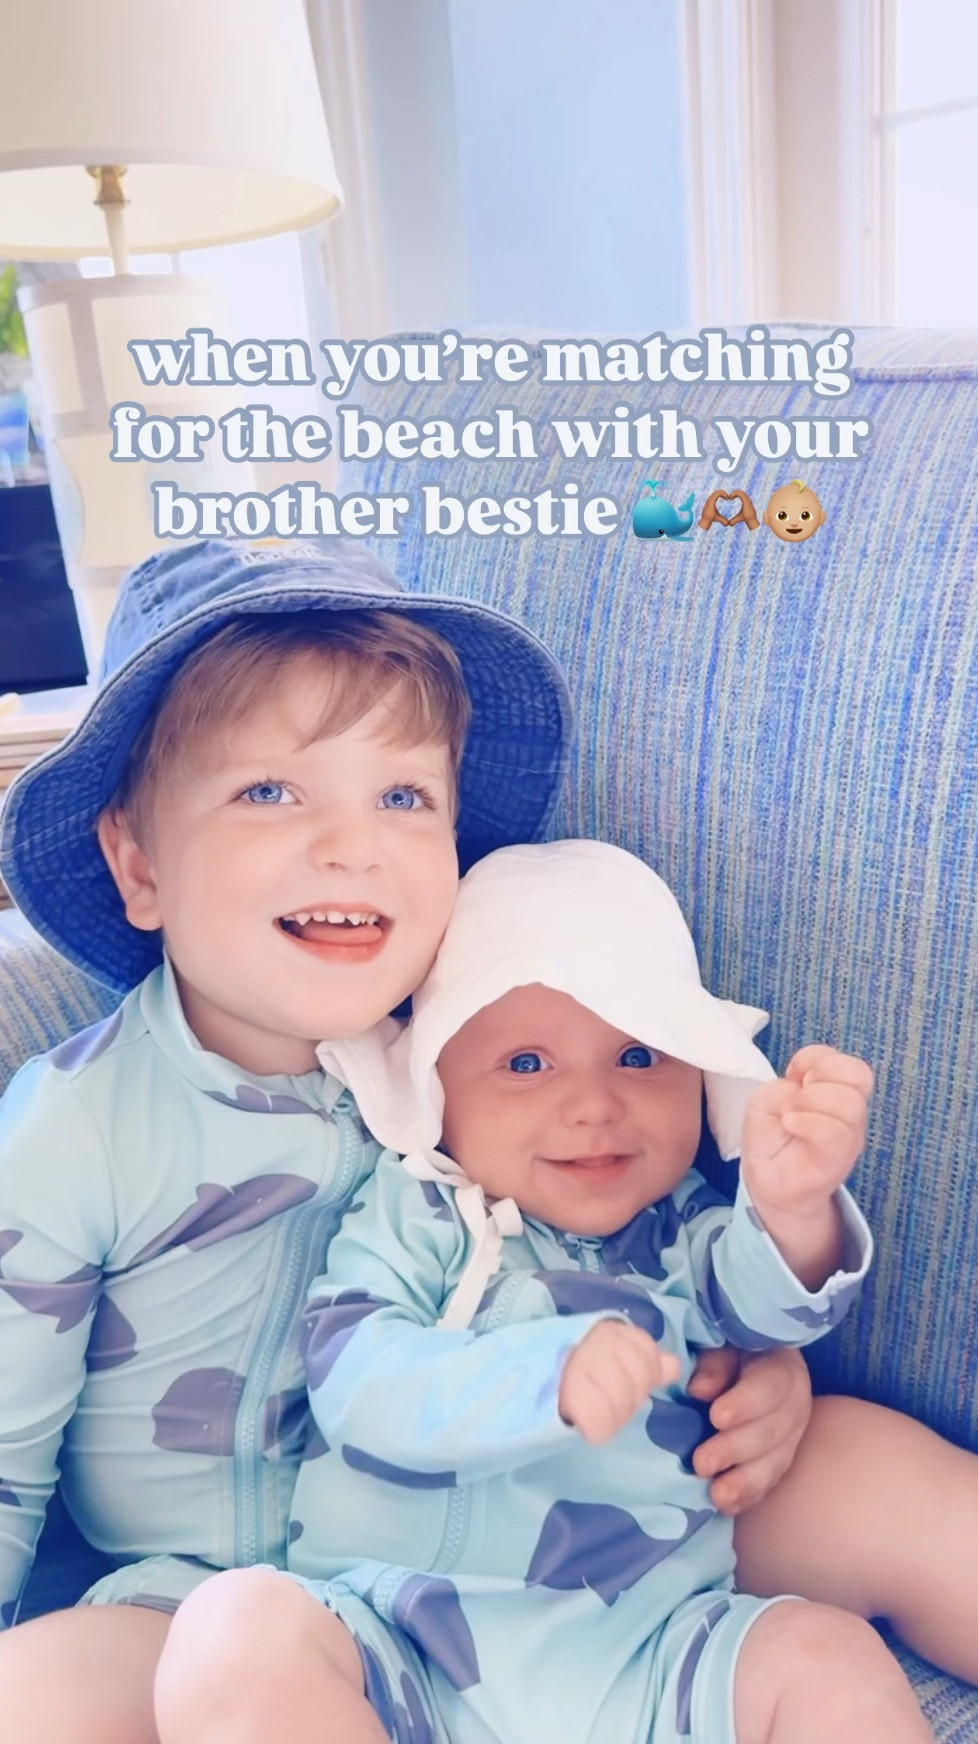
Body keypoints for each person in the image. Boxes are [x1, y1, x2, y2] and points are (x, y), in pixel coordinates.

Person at [0, 541, 803, 1744]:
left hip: (514, 1543)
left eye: (403, 796)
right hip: (196, 1599)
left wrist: (761, 1371)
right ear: (137, 863)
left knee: (868, 1466)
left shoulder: (484, 1045)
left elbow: (638, 1233)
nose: (351, 843)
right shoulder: (77, 1125)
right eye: (270, 790)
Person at [150, 840, 932, 1744]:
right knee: (229, 1632)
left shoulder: (684, 1227)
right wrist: (539, 1374)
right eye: (526, 1065)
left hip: (651, 1656)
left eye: (640, 1057)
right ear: (439, 1087)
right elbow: (359, 1382)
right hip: (401, 1657)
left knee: (823, 1658)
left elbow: (772, 1308)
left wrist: (792, 1207)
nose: (595, 1104)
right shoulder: (419, 1214)